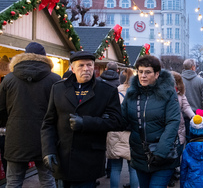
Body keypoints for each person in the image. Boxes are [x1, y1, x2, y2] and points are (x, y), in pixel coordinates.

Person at [41, 51, 123, 187]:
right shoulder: (58, 89)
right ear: (72, 69)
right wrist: (48, 150)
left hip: (89, 158)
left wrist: (86, 122)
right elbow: (48, 123)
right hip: (63, 156)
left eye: (89, 65)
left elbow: (117, 122)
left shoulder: (106, 90)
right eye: (81, 65)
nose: (86, 69)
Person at [0, 42, 61, 188]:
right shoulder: (54, 80)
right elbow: (61, 110)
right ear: (44, 57)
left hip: (16, 136)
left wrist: (5, 125)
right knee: (48, 180)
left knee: (13, 181)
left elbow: (1, 109)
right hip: (46, 138)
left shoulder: (9, 79)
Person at [121, 55, 181, 188]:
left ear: (157, 74)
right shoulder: (132, 94)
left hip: (162, 156)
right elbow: (123, 120)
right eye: (140, 71)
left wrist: (161, 152)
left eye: (147, 72)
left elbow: (173, 122)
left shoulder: (168, 93)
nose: (143, 75)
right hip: (140, 155)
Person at [106, 68, 139, 188]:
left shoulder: (114, 92)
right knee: (133, 168)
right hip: (132, 133)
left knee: (115, 168)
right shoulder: (136, 93)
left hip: (115, 131)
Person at [170, 71, 195, 187]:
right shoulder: (163, 93)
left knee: (178, 150)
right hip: (167, 127)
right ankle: (169, 174)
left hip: (179, 128)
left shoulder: (180, 95)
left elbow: (186, 107)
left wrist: (195, 118)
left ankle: (173, 171)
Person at [181, 59, 203, 141]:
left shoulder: (179, 81)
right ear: (193, 67)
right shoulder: (201, 81)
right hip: (197, 116)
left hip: (182, 115)